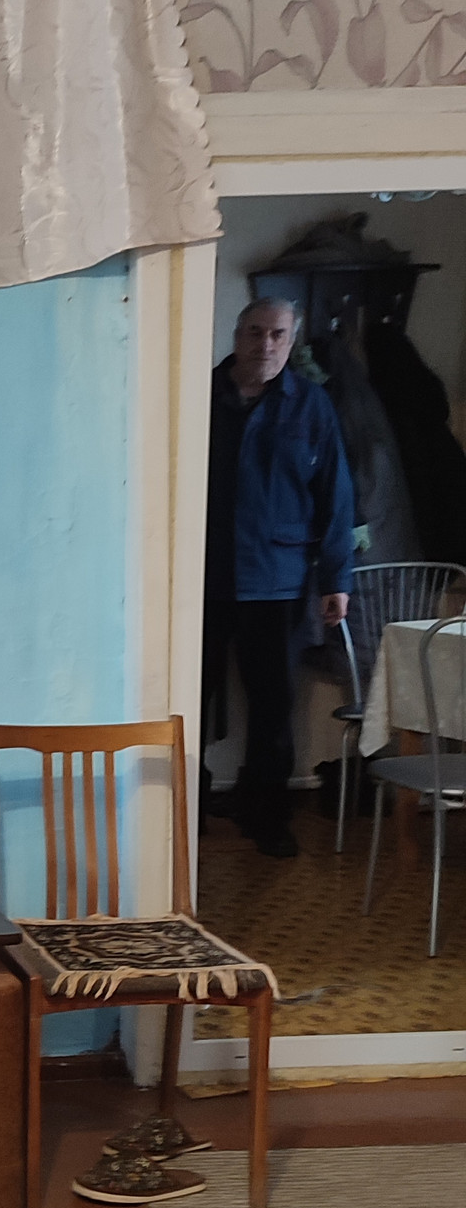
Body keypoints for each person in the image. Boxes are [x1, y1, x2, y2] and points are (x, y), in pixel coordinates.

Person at [202, 298, 356, 859]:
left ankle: (265, 813)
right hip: (200, 579)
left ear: (291, 341)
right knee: (187, 698)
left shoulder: (310, 404)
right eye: (255, 332)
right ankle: (183, 806)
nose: (265, 344)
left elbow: (335, 496)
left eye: (278, 334)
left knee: (273, 704)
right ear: (237, 333)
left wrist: (337, 579)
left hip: (278, 582)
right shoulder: (199, 394)